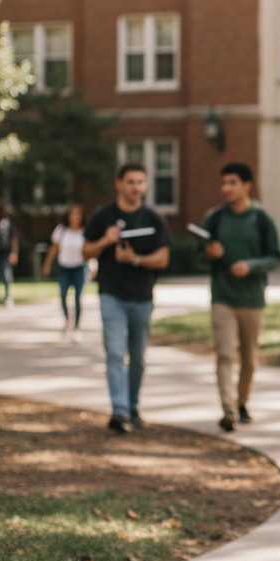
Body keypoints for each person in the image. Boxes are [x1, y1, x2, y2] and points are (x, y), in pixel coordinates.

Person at [83, 164, 171, 433]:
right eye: (131, 182)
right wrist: (105, 242)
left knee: (138, 358)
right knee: (115, 353)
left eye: (141, 182)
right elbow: (86, 252)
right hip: (112, 295)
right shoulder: (104, 215)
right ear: (119, 183)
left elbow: (163, 259)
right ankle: (119, 412)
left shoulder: (153, 219)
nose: (136, 187)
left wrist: (135, 259)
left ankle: (132, 408)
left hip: (142, 297)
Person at [203, 163, 280, 432]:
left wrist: (251, 265)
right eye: (223, 182)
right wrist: (208, 254)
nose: (226, 188)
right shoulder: (214, 218)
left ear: (247, 185)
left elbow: (276, 257)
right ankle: (228, 410)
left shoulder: (261, 219)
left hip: (252, 299)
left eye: (232, 182)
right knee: (225, 355)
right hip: (222, 296)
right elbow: (198, 256)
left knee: (249, 359)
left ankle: (241, 402)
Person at [42, 203, 88, 339]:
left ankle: (77, 327)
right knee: (63, 297)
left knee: (78, 298)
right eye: (73, 213)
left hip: (80, 268)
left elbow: (89, 250)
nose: (75, 216)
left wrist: (93, 265)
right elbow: (53, 249)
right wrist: (47, 264)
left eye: (78, 213)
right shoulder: (61, 230)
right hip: (64, 268)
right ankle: (68, 322)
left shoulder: (85, 232)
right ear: (68, 216)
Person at [0, 199, 18, 306]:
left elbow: (13, 238)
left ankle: (8, 296)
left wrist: (14, 252)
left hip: (6, 252)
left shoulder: (8, 223)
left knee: (7, 274)